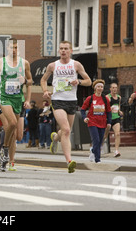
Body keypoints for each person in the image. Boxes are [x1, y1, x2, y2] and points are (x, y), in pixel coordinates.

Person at [40, 40, 92, 173]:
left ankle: (55, 138)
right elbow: (44, 79)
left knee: (64, 131)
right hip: (57, 100)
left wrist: (78, 81)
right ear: (59, 51)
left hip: (71, 101)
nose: (63, 51)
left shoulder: (76, 65)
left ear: (70, 51)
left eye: (66, 49)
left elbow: (89, 81)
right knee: (67, 130)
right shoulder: (53, 65)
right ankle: (69, 161)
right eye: (61, 48)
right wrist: (45, 91)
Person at [0, 38, 32, 172]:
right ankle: (5, 151)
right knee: (12, 123)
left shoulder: (24, 63)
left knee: (14, 133)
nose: (13, 50)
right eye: (10, 47)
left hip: (17, 98)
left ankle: (6, 156)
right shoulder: (0, 62)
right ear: (6, 48)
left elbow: (30, 81)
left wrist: (25, 81)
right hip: (4, 97)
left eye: (15, 48)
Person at [81, 79, 111, 164]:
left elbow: (108, 111)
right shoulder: (90, 98)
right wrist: (84, 118)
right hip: (92, 122)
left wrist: (109, 122)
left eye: (101, 87)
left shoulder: (105, 99)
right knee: (96, 140)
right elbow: (82, 109)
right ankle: (98, 159)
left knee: (100, 140)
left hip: (102, 123)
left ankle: (93, 150)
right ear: (95, 88)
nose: (100, 88)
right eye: (98, 86)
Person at [103, 82, 123, 157]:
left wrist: (119, 111)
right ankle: (99, 147)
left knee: (117, 133)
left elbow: (118, 106)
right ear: (110, 89)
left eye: (116, 88)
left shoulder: (119, 97)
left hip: (116, 118)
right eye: (113, 88)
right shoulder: (107, 97)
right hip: (108, 118)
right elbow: (104, 107)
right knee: (105, 135)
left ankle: (116, 151)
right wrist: (109, 109)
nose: (115, 89)